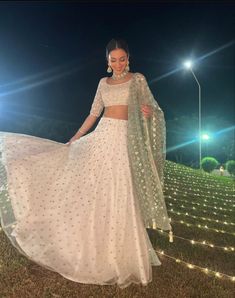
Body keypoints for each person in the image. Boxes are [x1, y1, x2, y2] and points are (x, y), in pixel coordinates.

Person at [0, 38, 173, 289]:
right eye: (113, 59)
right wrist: (76, 137)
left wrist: (148, 113)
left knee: (119, 191)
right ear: (107, 61)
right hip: (102, 137)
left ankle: (120, 253)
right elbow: (94, 113)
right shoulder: (103, 83)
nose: (118, 63)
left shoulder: (138, 80)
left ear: (129, 58)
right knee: (88, 188)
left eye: (122, 58)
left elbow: (153, 110)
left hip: (125, 140)